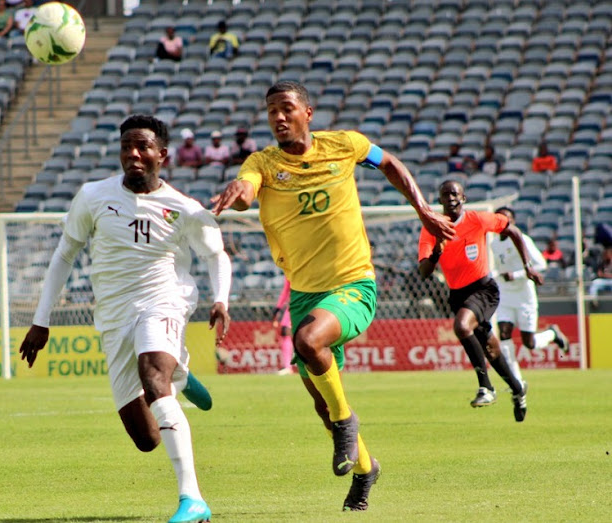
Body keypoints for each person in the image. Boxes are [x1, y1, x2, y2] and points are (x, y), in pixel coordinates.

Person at [211, 80, 456, 512]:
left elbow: (389, 162)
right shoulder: (262, 162)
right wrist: (237, 194)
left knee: (308, 344)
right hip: (305, 294)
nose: (278, 117)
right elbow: (247, 191)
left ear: (308, 112)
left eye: (286, 108)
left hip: (353, 285)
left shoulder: (345, 145)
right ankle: (366, 470)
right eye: (271, 112)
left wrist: (422, 208)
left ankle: (347, 423)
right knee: (322, 405)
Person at [19, 115, 231, 523]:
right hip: (114, 314)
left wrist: (220, 299)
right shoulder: (93, 196)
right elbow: (65, 254)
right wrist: (41, 319)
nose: (133, 154)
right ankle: (181, 374)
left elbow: (215, 255)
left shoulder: (185, 208)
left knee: (153, 375)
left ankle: (193, 499)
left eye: (143, 147)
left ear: (162, 156)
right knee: (147, 439)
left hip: (164, 299)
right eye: (126, 147)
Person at [418, 180, 543, 422]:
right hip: (458, 295)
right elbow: (424, 271)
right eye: (446, 194)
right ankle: (518, 389)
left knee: (462, 326)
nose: (451, 197)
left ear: (463, 198)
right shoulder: (431, 228)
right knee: (491, 348)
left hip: (484, 289)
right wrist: (437, 252)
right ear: (440, 200)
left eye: (455, 193)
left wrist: (527, 267)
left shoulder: (478, 219)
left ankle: (486, 387)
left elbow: (513, 230)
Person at [491, 207, 569, 386]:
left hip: (524, 296)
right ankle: (517, 382)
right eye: (499, 219)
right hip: (505, 296)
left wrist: (516, 274)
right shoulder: (494, 244)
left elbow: (541, 265)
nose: (504, 223)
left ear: (514, 222)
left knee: (529, 342)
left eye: (507, 219)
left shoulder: (523, 240)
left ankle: (552, 333)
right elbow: (499, 268)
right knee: (503, 334)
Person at [271, 277, 294, 375]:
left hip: (299, 304)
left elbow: (286, 290)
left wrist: (278, 307)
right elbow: (286, 290)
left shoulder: (290, 269)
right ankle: (288, 366)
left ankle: (289, 366)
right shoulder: (289, 271)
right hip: (295, 304)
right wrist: (278, 307)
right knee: (286, 332)